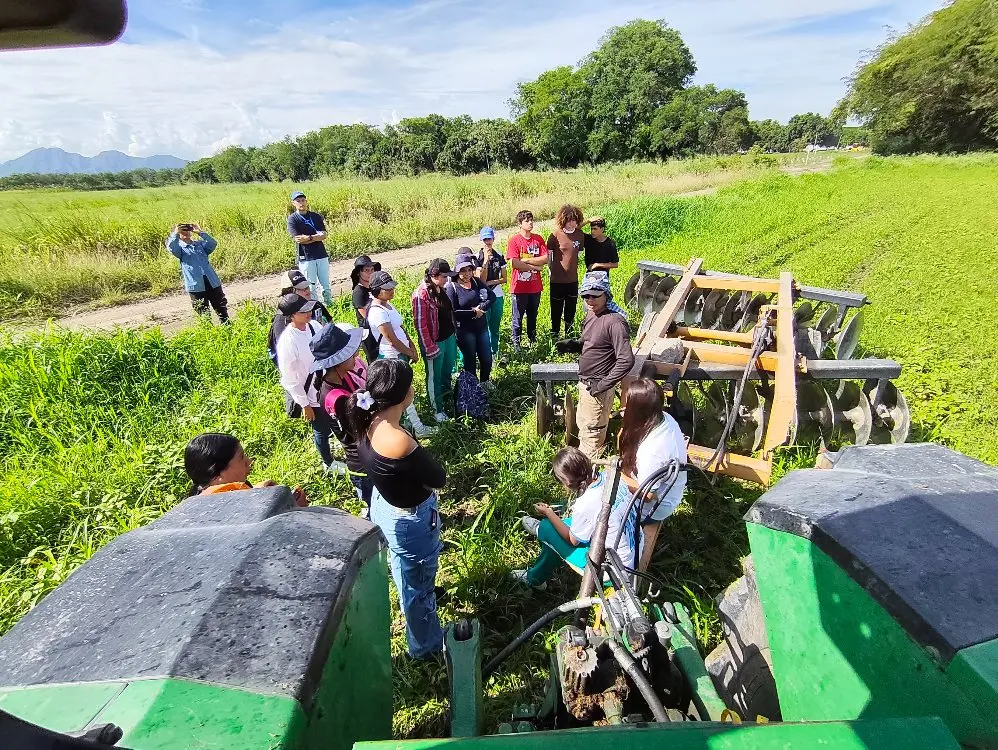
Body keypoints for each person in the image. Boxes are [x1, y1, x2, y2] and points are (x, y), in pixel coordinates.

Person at [350, 359, 446, 658]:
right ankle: (425, 646)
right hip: (410, 519)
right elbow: (438, 478)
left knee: (404, 568)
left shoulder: (369, 421)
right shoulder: (399, 441)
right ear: (405, 394)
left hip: (384, 504)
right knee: (417, 587)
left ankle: (413, 592)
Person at [511, 447, 635, 588]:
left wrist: (548, 512)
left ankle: (535, 575)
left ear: (566, 483)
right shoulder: (609, 477)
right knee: (557, 533)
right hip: (633, 552)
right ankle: (536, 575)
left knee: (547, 528)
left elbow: (572, 541)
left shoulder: (585, 503)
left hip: (612, 571)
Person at [618, 378, 687, 563]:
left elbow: (648, 495)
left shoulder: (653, 451)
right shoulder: (664, 417)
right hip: (665, 489)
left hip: (656, 505)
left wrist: (616, 478)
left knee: (611, 504)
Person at [311, 322, 373, 516]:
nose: (356, 355)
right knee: (372, 509)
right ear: (337, 360)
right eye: (350, 352)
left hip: (368, 452)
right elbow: (356, 431)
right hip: (362, 462)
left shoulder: (343, 376)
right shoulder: (336, 398)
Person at [570, 272, 634, 460]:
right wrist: (576, 345)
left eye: (595, 296)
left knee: (592, 435)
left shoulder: (615, 321)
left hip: (597, 388)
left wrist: (602, 385)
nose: (590, 300)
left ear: (606, 294)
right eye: (586, 296)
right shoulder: (592, 313)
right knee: (584, 425)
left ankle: (588, 478)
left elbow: (626, 360)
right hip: (586, 384)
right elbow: (591, 340)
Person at [367, 270, 434, 437]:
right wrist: (410, 353)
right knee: (404, 392)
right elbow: (392, 339)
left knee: (405, 390)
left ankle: (406, 424)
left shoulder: (388, 305)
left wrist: (411, 344)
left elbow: (400, 328)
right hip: (392, 356)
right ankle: (417, 427)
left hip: (401, 353)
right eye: (387, 288)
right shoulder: (377, 312)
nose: (391, 291)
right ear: (376, 290)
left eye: (391, 287)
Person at [275, 292, 336, 468]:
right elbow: (290, 379)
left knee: (333, 419)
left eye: (309, 308)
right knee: (321, 430)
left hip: (326, 385)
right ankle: (328, 462)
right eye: (303, 311)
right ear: (292, 315)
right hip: (309, 393)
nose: (308, 313)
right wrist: (305, 405)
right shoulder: (287, 341)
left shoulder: (314, 325)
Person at [184, 432, 307, 505]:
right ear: (218, 475)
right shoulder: (226, 510)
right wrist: (295, 509)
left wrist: (255, 491)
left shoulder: (201, 500)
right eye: (241, 457)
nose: (249, 461)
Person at [412, 259, 457, 423]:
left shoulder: (441, 288)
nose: (447, 280)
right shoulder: (421, 295)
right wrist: (429, 347)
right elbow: (420, 325)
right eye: (444, 277)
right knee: (434, 377)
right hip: (435, 341)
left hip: (448, 337)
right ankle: (436, 409)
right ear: (434, 275)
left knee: (447, 371)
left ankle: (446, 399)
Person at [268, 269, 331, 370]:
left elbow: (331, 326)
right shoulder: (282, 319)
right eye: (302, 288)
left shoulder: (316, 305)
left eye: (307, 286)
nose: (307, 290)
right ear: (289, 292)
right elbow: (284, 354)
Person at [166, 223, 228, 324]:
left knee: (221, 309)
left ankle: (227, 328)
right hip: (195, 285)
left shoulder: (199, 245)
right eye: (182, 230)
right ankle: (209, 334)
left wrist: (200, 232)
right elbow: (171, 247)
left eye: (187, 230)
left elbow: (212, 243)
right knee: (203, 314)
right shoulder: (180, 249)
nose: (185, 232)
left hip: (212, 281)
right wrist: (175, 233)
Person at [447, 253, 493, 387]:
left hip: (482, 327)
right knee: (470, 361)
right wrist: (473, 312)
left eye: (469, 270)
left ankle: (485, 382)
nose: (467, 273)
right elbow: (453, 311)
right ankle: (472, 387)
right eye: (463, 271)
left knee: (486, 358)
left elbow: (491, 297)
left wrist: (481, 308)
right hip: (465, 331)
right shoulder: (452, 287)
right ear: (457, 271)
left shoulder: (476, 281)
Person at [505, 210, 548, 351]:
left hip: (535, 287)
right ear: (519, 224)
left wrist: (527, 260)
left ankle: (532, 341)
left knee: (532, 316)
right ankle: (516, 344)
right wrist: (536, 267)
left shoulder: (538, 239)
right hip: (519, 288)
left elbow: (545, 259)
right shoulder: (514, 241)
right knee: (517, 318)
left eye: (531, 220)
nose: (530, 223)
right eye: (526, 221)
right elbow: (514, 263)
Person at [287, 191, 332, 306]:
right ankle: (315, 307)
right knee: (311, 286)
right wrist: (316, 237)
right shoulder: (293, 219)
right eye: (298, 201)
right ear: (293, 203)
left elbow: (324, 235)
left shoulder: (316, 216)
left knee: (325, 284)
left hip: (321, 254)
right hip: (306, 257)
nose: (301, 203)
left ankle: (329, 305)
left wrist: (308, 237)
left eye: (303, 200)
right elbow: (298, 239)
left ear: (306, 201)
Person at [547, 205, 585, 339]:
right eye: (569, 220)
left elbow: (578, 255)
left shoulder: (580, 235)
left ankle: (569, 336)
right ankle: (555, 335)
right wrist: (551, 272)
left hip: (572, 280)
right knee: (556, 311)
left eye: (574, 220)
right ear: (563, 220)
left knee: (571, 311)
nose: (572, 223)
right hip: (557, 281)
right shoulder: (555, 235)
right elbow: (549, 258)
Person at [476, 227, 507, 361]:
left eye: (490, 238)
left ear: (493, 239)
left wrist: (490, 283)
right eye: (485, 239)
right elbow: (480, 279)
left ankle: (495, 352)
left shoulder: (499, 255)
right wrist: (486, 262)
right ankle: (484, 353)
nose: (488, 241)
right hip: (483, 296)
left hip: (497, 294)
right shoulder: (478, 257)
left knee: (495, 326)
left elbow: (504, 278)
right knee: (483, 327)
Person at [351, 254, 382, 363]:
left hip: (380, 328)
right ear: (359, 272)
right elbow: (365, 315)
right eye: (366, 270)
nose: (370, 273)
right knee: (375, 362)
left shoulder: (374, 288)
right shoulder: (359, 291)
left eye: (372, 269)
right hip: (370, 332)